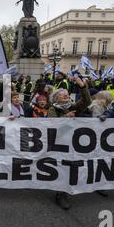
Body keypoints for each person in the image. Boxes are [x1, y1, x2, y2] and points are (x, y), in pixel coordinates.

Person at [48, 76, 92, 210]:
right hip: (59, 143)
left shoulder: (73, 106)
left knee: (72, 167)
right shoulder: (53, 110)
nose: (66, 96)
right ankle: (60, 195)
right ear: (56, 99)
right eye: (62, 96)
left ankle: (66, 190)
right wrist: (65, 118)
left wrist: (82, 86)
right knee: (62, 168)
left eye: (67, 94)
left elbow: (87, 101)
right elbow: (51, 125)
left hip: (74, 142)